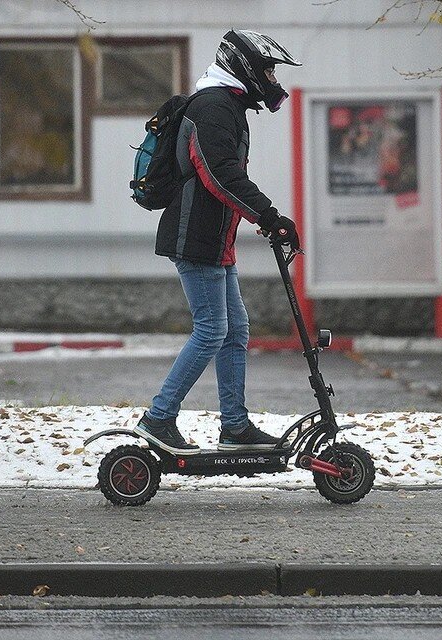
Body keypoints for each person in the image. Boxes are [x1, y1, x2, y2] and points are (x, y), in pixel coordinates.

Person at [135, 30, 302, 455]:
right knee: (212, 330)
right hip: (196, 237)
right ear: (242, 65)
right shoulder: (213, 107)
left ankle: (235, 425)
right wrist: (268, 216)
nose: (271, 76)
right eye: (267, 68)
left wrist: (262, 218)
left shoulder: (226, 105)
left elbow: (222, 175)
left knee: (234, 330)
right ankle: (158, 417)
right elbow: (218, 173)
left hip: (213, 239)